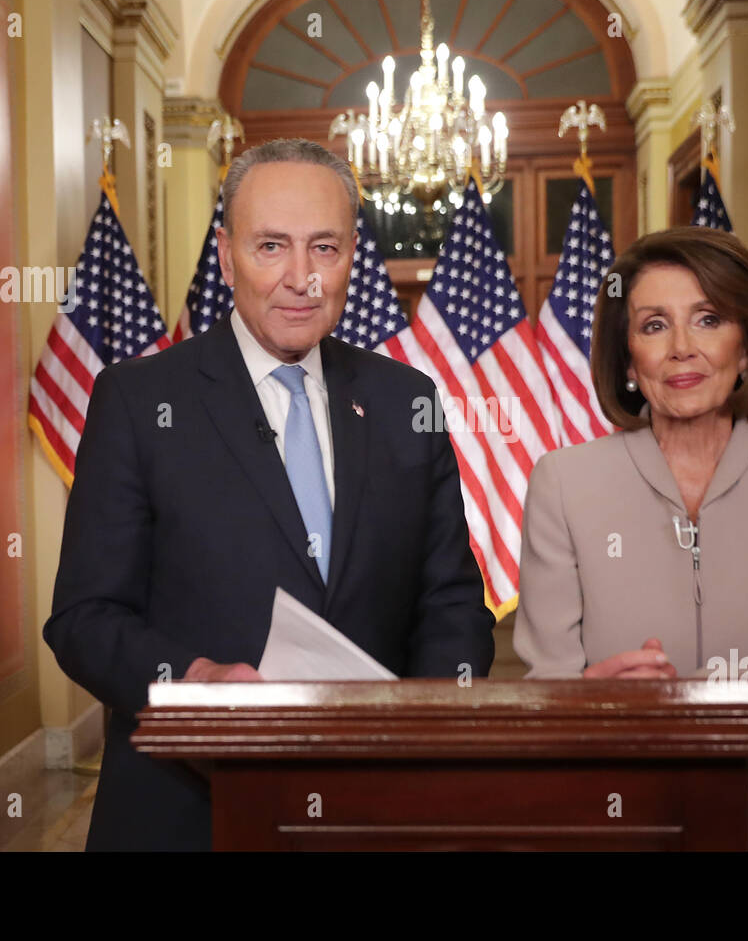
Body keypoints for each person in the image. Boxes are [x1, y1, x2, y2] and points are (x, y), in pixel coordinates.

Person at [44, 137, 495, 851]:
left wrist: (421, 731)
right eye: (271, 247)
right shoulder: (139, 401)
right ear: (225, 256)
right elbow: (83, 618)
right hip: (189, 811)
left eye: (325, 248)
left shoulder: (408, 401)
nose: (301, 277)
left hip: (373, 811)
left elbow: (450, 603)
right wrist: (193, 678)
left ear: (354, 257)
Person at [513, 226, 748, 850]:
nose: (681, 349)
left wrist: (664, 704)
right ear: (625, 359)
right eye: (653, 326)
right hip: (618, 811)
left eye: (707, 319)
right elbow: (549, 689)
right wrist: (584, 698)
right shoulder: (564, 482)